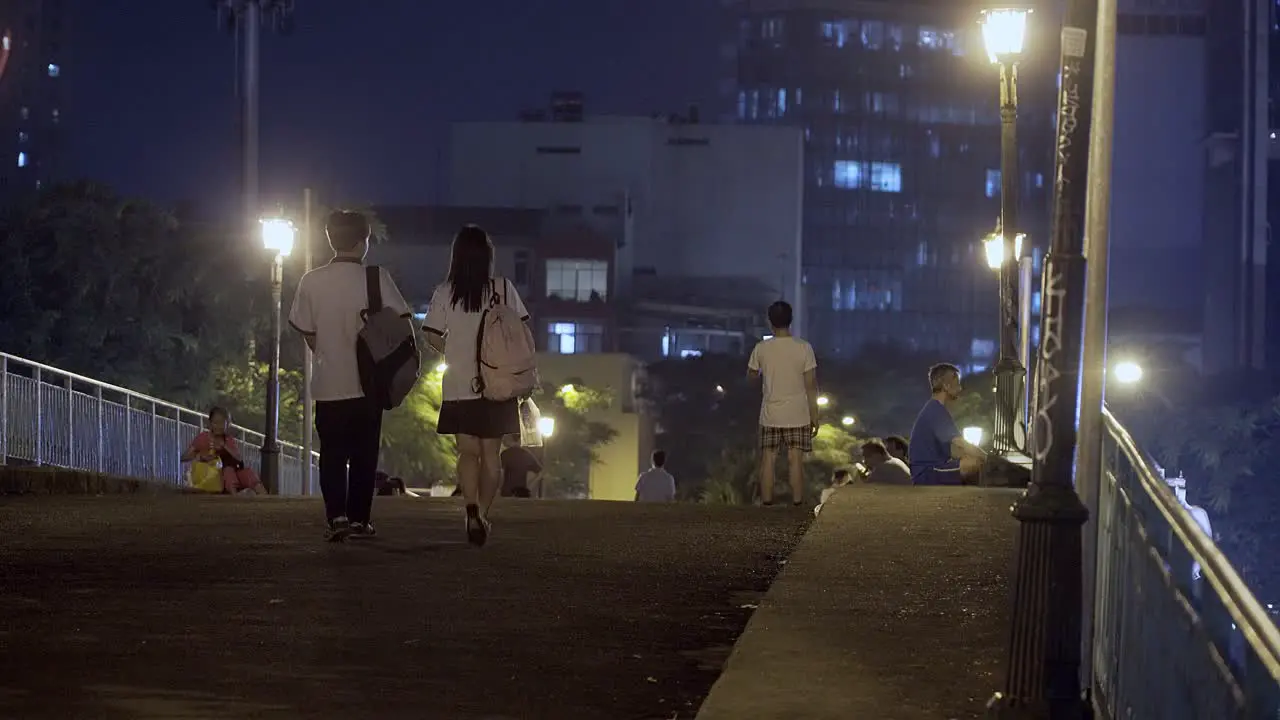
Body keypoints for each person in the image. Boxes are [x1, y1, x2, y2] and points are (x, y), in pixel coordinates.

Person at [289, 210, 414, 542]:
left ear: (331, 239)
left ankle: (337, 517)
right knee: (364, 455)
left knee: (331, 455)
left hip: (329, 383)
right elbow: (401, 323)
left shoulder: (311, 280)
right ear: (363, 242)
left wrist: (329, 350)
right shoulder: (376, 278)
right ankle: (360, 520)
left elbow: (308, 332)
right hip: (368, 385)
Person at [422, 224, 530, 547]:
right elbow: (521, 329)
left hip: (459, 383)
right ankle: (482, 514)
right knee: (491, 456)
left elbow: (429, 333)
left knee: (467, 452)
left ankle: (470, 510)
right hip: (497, 382)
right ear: (488, 257)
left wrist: (454, 350)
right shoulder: (504, 289)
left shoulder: (445, 291)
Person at [747, 300, 819, 506]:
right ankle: (797, 503)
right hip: (798, 414)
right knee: (795, 460)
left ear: (770, 321)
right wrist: (814, 415)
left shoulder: (761, 348)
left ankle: (767, 502)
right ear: (791, 320)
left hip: (770, 413)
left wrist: (760, 374)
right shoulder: (804, 348)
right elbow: (811, 385)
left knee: (767, 459)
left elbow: (751, 376)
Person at [907, 363, 986, 485]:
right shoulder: (935, 410)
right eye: (957, 383)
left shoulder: (935, 408)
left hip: (930, 469)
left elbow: (954, 450)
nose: (960, 388)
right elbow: (960, 442)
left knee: (970, 459)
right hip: (928, 472)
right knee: (973, 463)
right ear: (946, 386)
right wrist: (989, 458)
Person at [181, 406, 264, 495]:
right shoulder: (203, 438)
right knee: (228, 472)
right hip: (212, 477)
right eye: (215, 423)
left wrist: (225, 447)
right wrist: (200, 456)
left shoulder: (228, 440)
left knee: (248, 472)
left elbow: (239, 459)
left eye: (222, 423)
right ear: (210, 423)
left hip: (233, 474)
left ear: (227, 424)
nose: (218, 426)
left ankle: (265, 497)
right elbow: (184, 457)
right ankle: (235, 498)